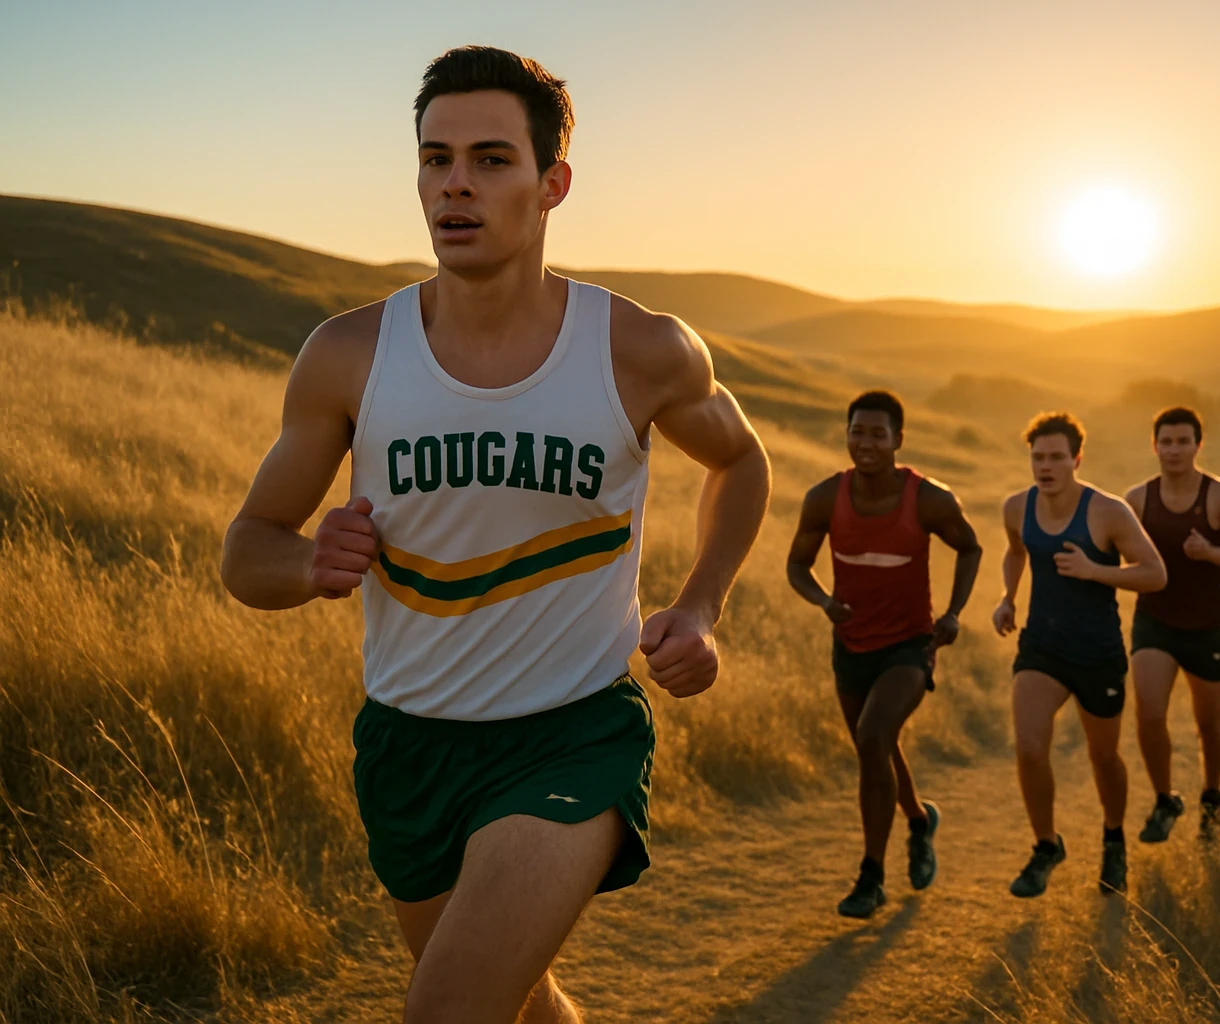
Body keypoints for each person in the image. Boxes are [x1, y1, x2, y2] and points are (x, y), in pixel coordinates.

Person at [220, 47, 770, 1024]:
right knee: (520, 1002)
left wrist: (699, 607)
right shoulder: (349, 354)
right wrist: (308, 562)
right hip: (408, 742)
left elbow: (740, 462)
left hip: (572, 733)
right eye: (435, 159)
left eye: (490, 159)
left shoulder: (639, 349)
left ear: (553, 183)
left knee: (447, 1011)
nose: (455, 184)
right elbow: (247, 551)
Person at [787, 390, 983, 918]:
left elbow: (970, 548)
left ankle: (870, 878)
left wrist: (953, 613)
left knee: (874, 737)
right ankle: (919, 821)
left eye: (878, 433)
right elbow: (797, 565)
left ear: (898, 439)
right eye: (857, 432)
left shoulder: (930, 499)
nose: (866, 442)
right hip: (851, 646)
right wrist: (824, 601)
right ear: (847, 436)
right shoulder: (824, 498)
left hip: (910, 645)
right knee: (876, 746)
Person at [993, 412, 1166, 898]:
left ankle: (1114, 840)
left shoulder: (1108, 512)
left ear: (1077, 460)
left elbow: (1155, 574)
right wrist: (1008, 597)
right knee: (1029, 747)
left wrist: (1095, 571)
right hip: (1042, 647)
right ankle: (1046, 846)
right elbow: (1016, 551)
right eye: (1038, 457)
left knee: (1104, 756)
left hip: (1097, 652)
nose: (1045, 466)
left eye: (1056, 457)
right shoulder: (1016, 507)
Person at [1125, 406, 1220, 842]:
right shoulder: (1137, 499)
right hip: (1154, 622)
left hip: (1207, 626)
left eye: (1183, 441)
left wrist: (1210, 553)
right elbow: (1116, 552)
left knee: (1208, 725)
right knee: (1149, 713)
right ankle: (1165, 800)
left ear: (1198, 445)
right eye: (1166, 441)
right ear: (1154, 446)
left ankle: (1212, 796)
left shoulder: (1219, 495)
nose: (1174, 449)